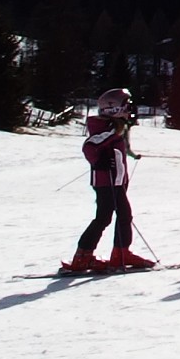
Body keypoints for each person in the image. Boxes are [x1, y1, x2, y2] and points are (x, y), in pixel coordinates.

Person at [63, 88, 155, 273]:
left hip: (116, 182)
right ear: (114, 109)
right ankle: (84, 257)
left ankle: (118, 254)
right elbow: (89, 146)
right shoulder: (109, 128)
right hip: (107, 183)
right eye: (127, 106)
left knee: (122, 216)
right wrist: (99, 161)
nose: (130, 109)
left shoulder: (116, 127)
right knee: (105, 217)